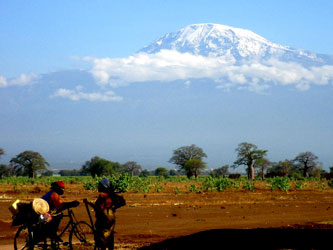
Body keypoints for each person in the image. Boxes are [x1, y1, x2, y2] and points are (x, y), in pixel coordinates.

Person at [93, 178, 126, 250]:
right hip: (111, 218)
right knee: (110, 236)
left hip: (104, 218)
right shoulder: (111, 195)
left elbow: (99, 208)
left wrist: (89, 204)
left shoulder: (103, 196)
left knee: (103, 237)